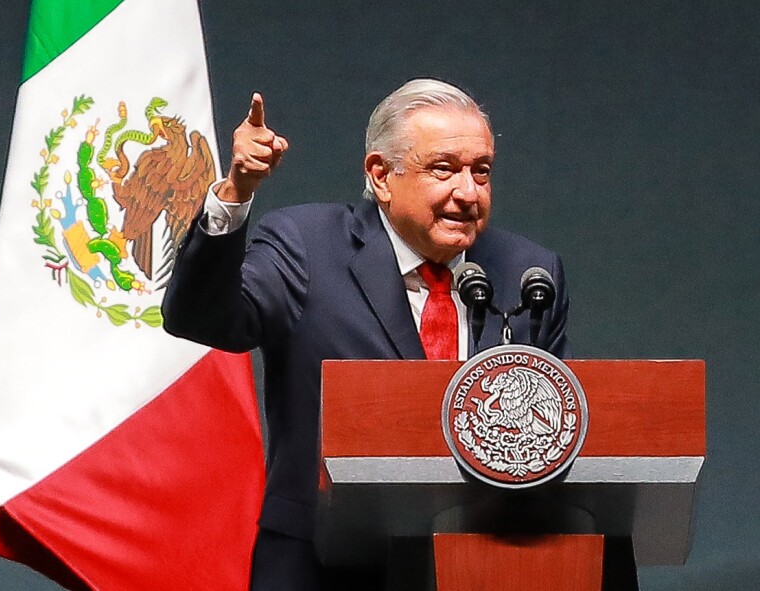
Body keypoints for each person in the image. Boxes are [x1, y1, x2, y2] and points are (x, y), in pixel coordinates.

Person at [163, 79, 569, 590]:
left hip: (486, 568)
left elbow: (558, 439)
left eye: (481, 171)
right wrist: (235, 193)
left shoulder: (529, 274)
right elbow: (200, 317)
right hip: (323, 568)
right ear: (381, 176)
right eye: (443, 169)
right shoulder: (307, 247)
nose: (467, 192)